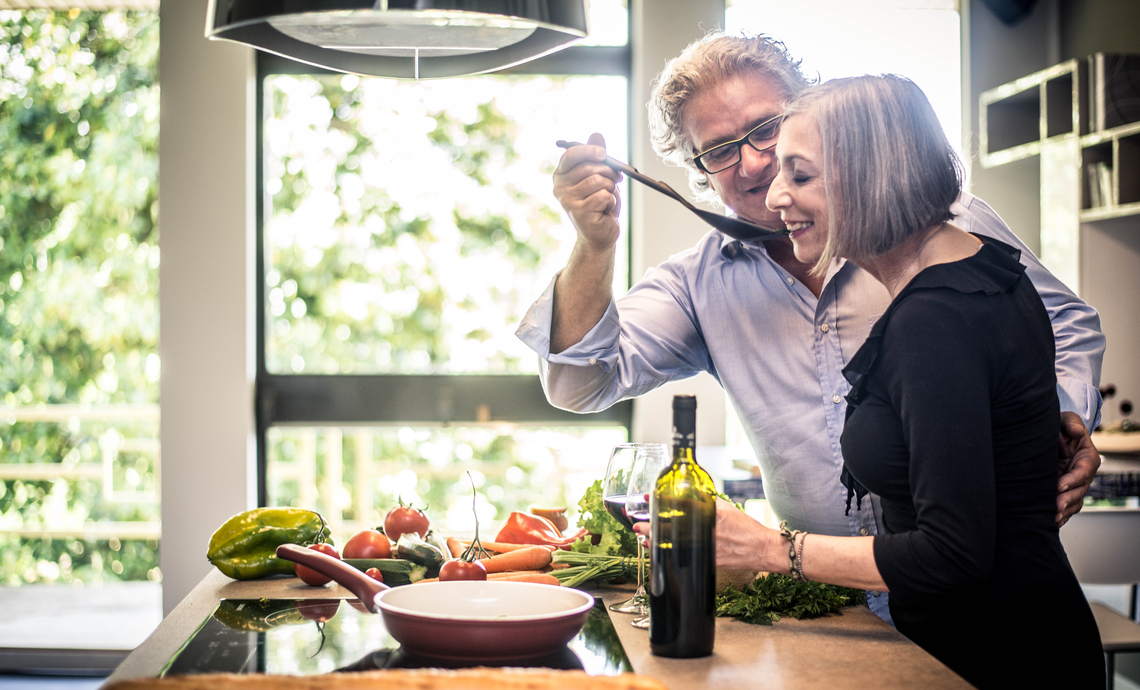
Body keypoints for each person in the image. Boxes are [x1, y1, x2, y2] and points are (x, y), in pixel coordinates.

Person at [514, 32, 1105, 622]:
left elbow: (1064, 324)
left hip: (980, 603)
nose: (752, 163)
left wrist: (1041, 429)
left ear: (807, 113)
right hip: (828, 603)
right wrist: (595, 245)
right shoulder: (697, 284)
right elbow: (578, 383)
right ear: (698, 170)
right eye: (719, 150)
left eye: (766, 129)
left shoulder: (935, 226)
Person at [710, 73, 1104, 688]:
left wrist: (769, 549)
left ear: (870, 175)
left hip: (993, 658)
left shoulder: (932, 320)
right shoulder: (986, 268)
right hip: (1020, 636)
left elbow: (951, 557)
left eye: (801, 174)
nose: (776, 196)